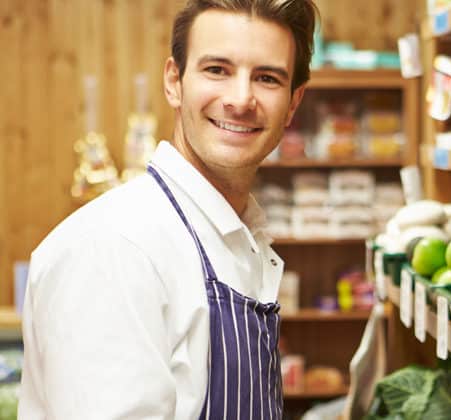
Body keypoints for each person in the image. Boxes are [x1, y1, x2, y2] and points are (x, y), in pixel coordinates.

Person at [19, 0, 317, 418]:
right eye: (217, 70)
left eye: (267, 78)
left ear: (293, 103)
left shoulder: (236, 239)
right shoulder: (116, 248)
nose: (240, 99)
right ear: (174, 81)